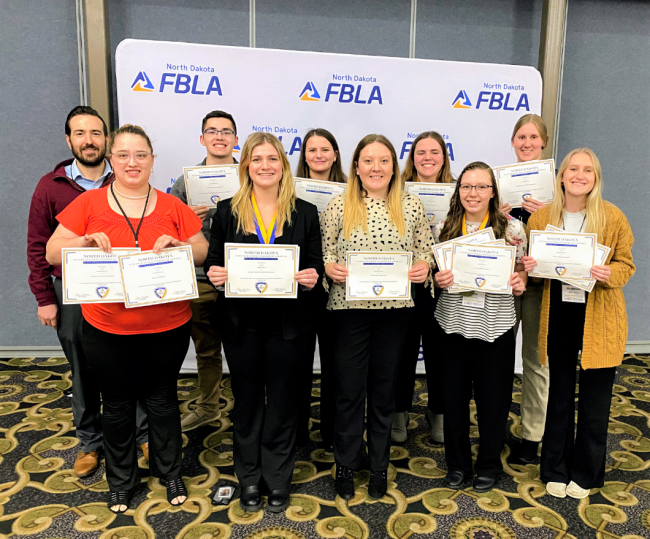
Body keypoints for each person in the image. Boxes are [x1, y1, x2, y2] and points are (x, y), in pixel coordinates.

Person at [46, 125, 208, 513]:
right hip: (106, 327)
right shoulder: (89, 203)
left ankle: (169, 472)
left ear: (152, 160)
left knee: (163, 400)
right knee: (116, 405)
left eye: (140, 155)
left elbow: (202, 250)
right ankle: (121, 480)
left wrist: (181, 244)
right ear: (111, 160)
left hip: (167, 326)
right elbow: (53, 251)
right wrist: (82, 241)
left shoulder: (171, 205)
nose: (132, 162)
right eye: (123, 155)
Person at [27, 106, 148, 479]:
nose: (89, 140)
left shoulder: (126, 179)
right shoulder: (52, 186)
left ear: (106, 139)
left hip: (125, 289)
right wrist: (45, 298)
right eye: (80, 133)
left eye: (96, 133)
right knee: (83, 369)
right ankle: (91, 442)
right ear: (69, 140)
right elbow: (37, 246)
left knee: (134, 363)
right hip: (75, 293)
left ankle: (143, 435)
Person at [205, 132, 323, 513]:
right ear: (246, 167)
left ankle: (277, 478)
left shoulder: (305, 211)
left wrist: (312, 276)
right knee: (248, 402)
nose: (266, 165)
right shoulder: (225, 210)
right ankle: (249, 477)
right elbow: (212, 262)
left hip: (289, 325)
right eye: (257, 159)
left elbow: (316, 263)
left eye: (273, 158)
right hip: (242, 324)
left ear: (283, 166)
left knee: (284, 403)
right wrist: (214, 274)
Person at [320, 134, 434, 500]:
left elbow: (425, 254)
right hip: (349, 312)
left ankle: (380, 464)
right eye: (368, 161)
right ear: (356, 166)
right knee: (349, 392)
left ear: (394, 166)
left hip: (394, 313)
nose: (376, 168)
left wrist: (422, 269)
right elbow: (323, 256)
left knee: (384, 391)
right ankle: (346, 463)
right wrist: (330, 269)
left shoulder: (412, 205)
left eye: (384, 161)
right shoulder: (338, 206)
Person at [523, 148, 634, 499]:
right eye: (573, 168)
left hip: (599, 315)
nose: (579, 175)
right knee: (558, 396)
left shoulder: (613, 217)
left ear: (596, 179)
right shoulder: (541, 219)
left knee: (594, 401)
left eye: (588, 170)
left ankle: (586, 472)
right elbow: (537, 275)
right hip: (557, 313)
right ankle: (555, 466)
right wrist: (530, 269)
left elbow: (626, 265)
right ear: (562, 175)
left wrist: (609, 272)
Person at [433, 162, 527, 493]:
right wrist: (438, 278)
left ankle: (488, 465)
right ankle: (457, 465)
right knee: (454, 399)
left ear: (493, 192)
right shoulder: (444, 227)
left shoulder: (513, 230)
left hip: (496, 326)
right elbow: (436, 274)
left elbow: (521, 273)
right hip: (453, 325)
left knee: (494, 401)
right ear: (458, 192)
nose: (473, 193)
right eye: (467, 186)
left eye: (481, 187)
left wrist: (520, 281)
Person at [171, 110, 239, 432]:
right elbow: (167, 233)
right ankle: (209, 406)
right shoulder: (184, 183)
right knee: (207, 349)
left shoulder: (252, 175)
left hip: (244, 279)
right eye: (212, 131)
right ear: (202, 139)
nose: (219, 136)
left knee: (245, 349)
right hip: (200, 280)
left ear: (236, 140)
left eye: (226, 131)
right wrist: (186, 221)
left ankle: (248, 408)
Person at [392, 131, 454, 445]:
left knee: (440, 350)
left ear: (444, 157)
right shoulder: (396, 191)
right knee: (402, 350)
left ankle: (439, 412)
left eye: (434, 152)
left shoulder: (459, 192)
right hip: (408, 280)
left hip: (445, 282)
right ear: (412, 157)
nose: (427, 158)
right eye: (420, 152)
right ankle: (399, 412)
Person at [500, 114, 551, 464]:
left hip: (539, 285)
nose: (527, 143)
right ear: (513, 141)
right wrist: (494, 213)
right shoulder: (499, 184)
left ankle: (532, 436)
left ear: (544, 142)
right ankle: (495, 424)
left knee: (535, 360)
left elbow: (568, 241)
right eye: (521, 136)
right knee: (499, 359)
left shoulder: (559, 188)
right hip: (503, 282)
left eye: (533, 137)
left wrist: (546, 214)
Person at [294, 128, 347, 450]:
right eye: (312, 150)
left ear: (335, 154)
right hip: (301, 288)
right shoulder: (288, 193)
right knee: (298, 366)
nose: (318, 155)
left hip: (336, 287)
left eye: (325, 149)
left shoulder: (350, 193)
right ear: (304, 156)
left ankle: (332, 432)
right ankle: (298, 432)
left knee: (336, 366)